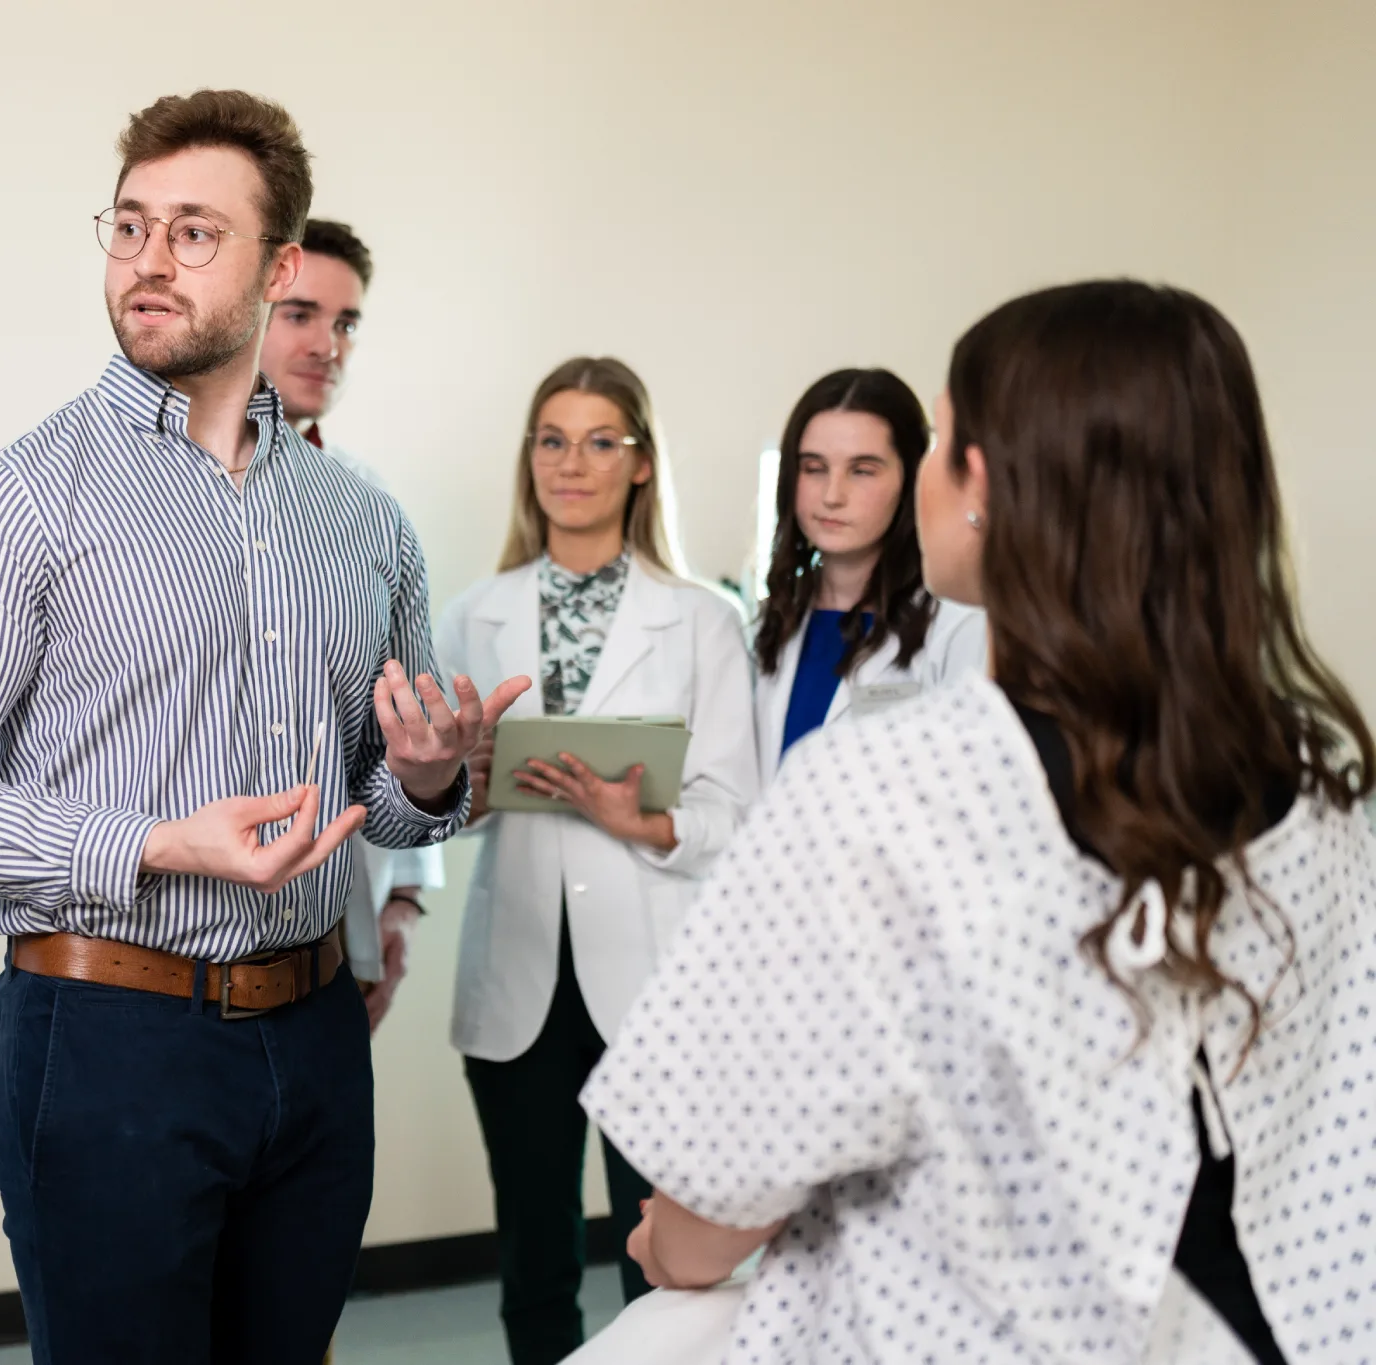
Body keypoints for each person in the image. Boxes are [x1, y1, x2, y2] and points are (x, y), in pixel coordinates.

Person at [0, 90, 529, 1365]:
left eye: (194, 232)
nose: (149, 261)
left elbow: (374, 798)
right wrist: (157, 842)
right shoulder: (12, 503)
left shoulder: (359, 522)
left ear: (277, 268)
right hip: (109, 1043)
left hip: (317, 1037)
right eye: (129, 225)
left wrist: (430, 781)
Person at [579, 280, 1376, 1363]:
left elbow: (712, 1213)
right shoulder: (1318, 769)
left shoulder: (887, 788)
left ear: (981, 486)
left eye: (931, 441)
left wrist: (667, 1245)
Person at [434, 357, 757, 1365]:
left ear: (641, 465)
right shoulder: (472, 614)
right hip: (518, 976)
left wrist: (642, 823)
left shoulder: (702, 617)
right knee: (533, 1257)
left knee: (660, 1261)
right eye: (550, 440)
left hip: (653, 983)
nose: (570, 464)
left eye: (598, 441)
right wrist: (464, 786)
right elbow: (430, 813)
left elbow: (733, 812)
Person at [257, 216, 443, 1031]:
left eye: (346, 323)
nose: (327, 343)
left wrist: (402, 899)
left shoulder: (369, 510)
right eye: (300, 314)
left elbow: (403, 717)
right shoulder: (140, 491)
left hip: (334, 944)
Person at [750, 368, 986, 787]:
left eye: (862, 470)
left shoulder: (957, 625)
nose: (832, 495)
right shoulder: (768, 624)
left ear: (911, 478)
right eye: (814, 468)